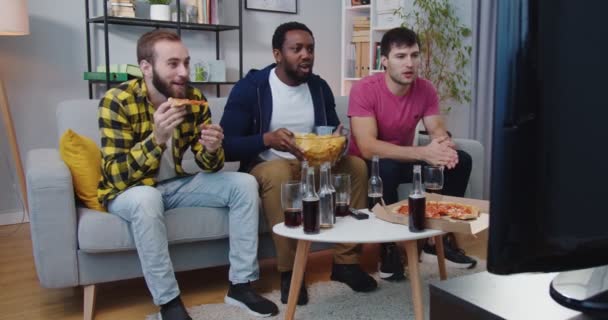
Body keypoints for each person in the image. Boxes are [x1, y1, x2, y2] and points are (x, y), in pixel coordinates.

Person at [97, 30, 278, 320]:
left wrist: (212, 147)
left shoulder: (192, 98)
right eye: (173, 64)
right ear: (146, 67)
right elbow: (116, 176)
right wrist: (156, 139)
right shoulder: (116, 101)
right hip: (128, 192)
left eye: (186, 63)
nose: (183, 72)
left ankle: (241, 285)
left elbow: (210, 165)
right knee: (146, 198)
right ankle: (169, 303)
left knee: (243, 183)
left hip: (174, 185)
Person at [220, 22, 378, 305]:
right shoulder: (250, 88)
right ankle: (291, 272)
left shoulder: (318, 88)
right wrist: (267, 139)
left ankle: (346, 263)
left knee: (356, 166)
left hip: (314, 165)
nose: (306, 55)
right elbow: (226, 145)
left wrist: (337, 142)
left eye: (310, 49)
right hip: (268, 165)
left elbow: (329, 132)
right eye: (297, 49)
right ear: (278, 54)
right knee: (280, 172)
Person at [348, 27, 477, 281]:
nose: (410, 63)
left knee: (461, 161)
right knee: (386, 167)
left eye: (414, 55)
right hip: (369, 163)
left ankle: (435, 240)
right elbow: (368, 147)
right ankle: (388, 248)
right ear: (384, 61)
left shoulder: (425, 89)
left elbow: (436, 127)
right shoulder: (364, 89)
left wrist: (443, 145)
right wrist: (424, 152)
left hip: (405, 156)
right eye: (400, 56)